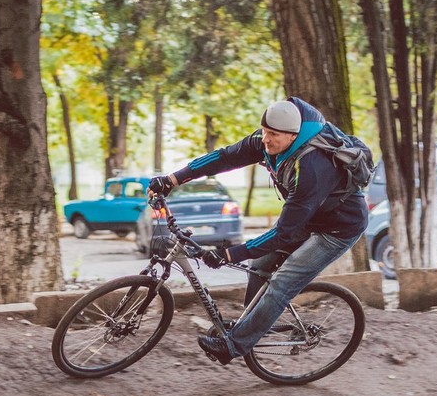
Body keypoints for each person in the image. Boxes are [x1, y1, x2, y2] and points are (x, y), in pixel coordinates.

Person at [147, 97, 368, 365]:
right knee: (259, 264)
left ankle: (233, 346)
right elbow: (225, 157)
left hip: (337, 229)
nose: (265, 139)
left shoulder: (312, 166)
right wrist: (173, 179)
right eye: (264, 131)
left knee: (281, 283)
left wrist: (229, 255)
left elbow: (283, 233)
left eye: (272, 135)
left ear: (292, 135)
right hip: (310, 217)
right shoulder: (268, 142)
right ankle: (254, 324)